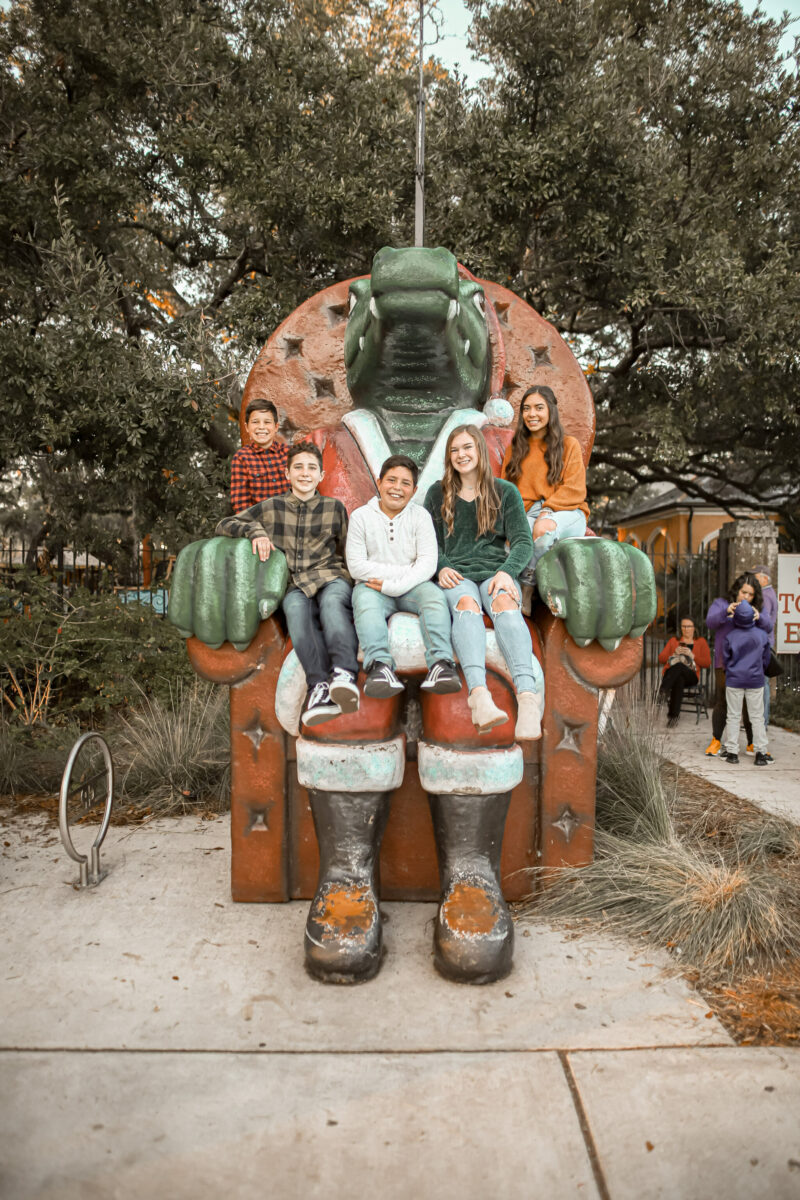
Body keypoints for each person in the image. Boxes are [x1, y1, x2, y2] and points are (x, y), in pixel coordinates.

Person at [216, 441, 359, 727]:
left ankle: (344, 674)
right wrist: (255, 531)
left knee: (332, 607)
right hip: (296, 584)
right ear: (287, 473)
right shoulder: (272, 508)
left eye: (311, 468)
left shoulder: (334, 508)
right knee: (295, 612)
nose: (305, 473)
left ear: (321, 475)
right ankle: (319, 686)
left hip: (331, 577)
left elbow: (347, 551)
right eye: (298, 468)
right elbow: (224, 524)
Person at [424, 424, 544, 739]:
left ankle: (528, 699)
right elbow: (428, 543)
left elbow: (522, 542)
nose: (461, 455)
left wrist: (508, 571)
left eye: (467, 447)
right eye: (455, 450)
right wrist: (441, 567)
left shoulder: (505, 492)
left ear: (479, 450)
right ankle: (479, 698)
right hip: (458, 574)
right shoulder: (437, 493)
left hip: (495, 571)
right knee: (466, 605)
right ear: (449, 457)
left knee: (505, 602)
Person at [346, 454, 461, 697]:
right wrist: (396, 579)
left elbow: (428, 563)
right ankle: (380, 667)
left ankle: (441, 664)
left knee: (434, 597)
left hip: (413, 587)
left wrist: (395, 585)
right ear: (379, 483)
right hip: (372, 587)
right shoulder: (360, 517)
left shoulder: (420, 517)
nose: (397, 488)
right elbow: (356, 566)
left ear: (414, 489)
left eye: (405, 483)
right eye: (391, 480)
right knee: (363, 601)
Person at [501, 384, 589, 581]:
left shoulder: (569, 445)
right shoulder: (514, 449)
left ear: (551, 410)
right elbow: (507, 491)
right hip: (529, 511)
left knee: (543, 531)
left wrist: (546, 511)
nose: (532, 414)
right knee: (511, 545)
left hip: (567, 511)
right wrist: (513, 523)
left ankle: (528, 585)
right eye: (526, 408)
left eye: (539, 407)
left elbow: (575, 490)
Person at [705, 572, 774, 757]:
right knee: (723, 702)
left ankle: (752, 744)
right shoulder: (721, 603)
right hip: (724, 663)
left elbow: (768, 626)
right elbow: (710, 621)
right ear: (737, 589)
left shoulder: (756, 608)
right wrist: (726, 611)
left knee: (750, 707)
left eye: (751, 594)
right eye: (744, 592)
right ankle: (716, 741)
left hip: (751, 666)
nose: (746, 597)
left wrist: (759, 616)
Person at [720, 600, 771, 766]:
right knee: (757, 717)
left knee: (733, 716)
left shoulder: (730, 636)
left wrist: (730, 670)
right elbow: (766, 659)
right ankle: (760, 753)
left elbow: (725, 659)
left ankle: (733, 753)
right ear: (752, 617)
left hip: (734, 679)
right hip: (755, 679)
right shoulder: (762, 635)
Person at [229, 398, 289, 511]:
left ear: (276, 427)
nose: (261, 427)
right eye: (255, 422)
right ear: (247, 427)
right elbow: (240, 503)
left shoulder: (289, 453)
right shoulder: (242, 458)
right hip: (261, 523)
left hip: (292, 521)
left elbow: (302, 490)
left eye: (267, 422)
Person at [658, 617, 711, 726]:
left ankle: (663, 690)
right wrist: (674, 654)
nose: (686, 629)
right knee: (679, 679)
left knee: (680, 667)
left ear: (694, 628)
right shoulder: (674, 641)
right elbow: (661, 659)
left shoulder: (701, 642)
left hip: (691, 675)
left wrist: (693, 656)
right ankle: (673, 718)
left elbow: (707, 663)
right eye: (683, 626)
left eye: (689, 626)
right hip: (673, 675)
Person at [752, 564, 778, 734]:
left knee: (763, 683)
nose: (754, 579)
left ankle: (763, 721)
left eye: (756, 576)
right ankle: (761, 720)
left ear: (764, 578)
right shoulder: (769, 594)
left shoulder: (766, 596)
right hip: (765, 642)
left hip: (763, 644)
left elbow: (765, 621)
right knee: (763, 682)